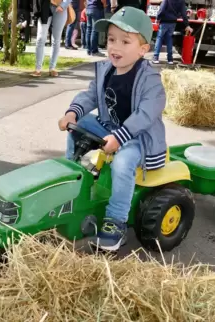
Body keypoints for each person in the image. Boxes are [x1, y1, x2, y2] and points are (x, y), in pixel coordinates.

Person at [58, 6, 167, 251]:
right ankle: (72, 173)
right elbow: (90, 96)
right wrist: (72, 112)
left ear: (143, 49)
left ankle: (115, 222)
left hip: (138, 138)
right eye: (111, 39)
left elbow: (146, 114)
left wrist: (120, 137)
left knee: (122, 162)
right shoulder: (105, 70)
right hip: (109, 128)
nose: (115, 47)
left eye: (125, 41)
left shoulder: (150, 80)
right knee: (78, 126)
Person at [31, 0, 71, 77]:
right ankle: (38, 69)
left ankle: (52, 68)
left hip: (60, 8)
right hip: (45, 7)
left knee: (56, 39)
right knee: (40, 38)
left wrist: (63, 5)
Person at [152, 0, 192, 65]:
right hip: (173, 22)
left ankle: (156, 58)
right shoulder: (181, 1)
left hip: (164, 21)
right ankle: (170, 59)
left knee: (159, 38)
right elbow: (184, 13)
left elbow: (162, 9)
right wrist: (187, 25)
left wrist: (158, 18)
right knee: (169, 38)